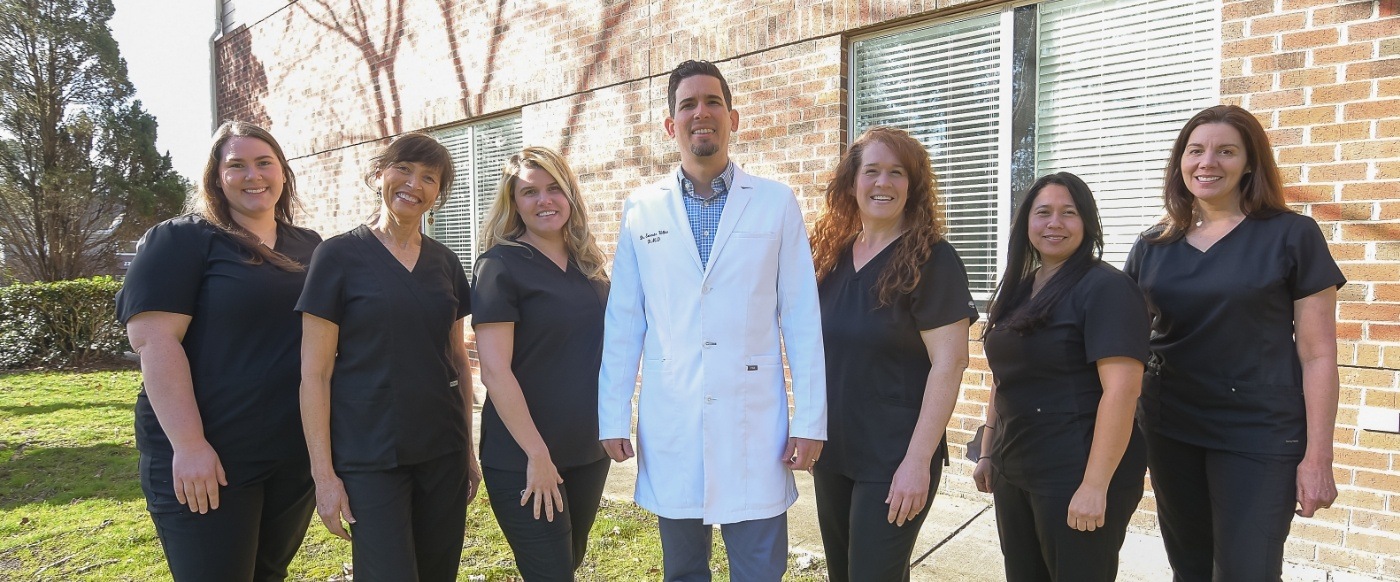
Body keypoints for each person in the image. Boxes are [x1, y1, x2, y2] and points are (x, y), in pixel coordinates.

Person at [597, 59, 827, 582]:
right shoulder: (641, 210)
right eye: (687, 104)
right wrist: (612, 413)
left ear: (734, 117)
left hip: (754, 424)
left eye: (713, 102)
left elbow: (801, 318)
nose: (701, 113)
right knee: (682, 571)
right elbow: (625, 320)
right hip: (672, 417)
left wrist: (811, 420)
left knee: (759, 570)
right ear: (669, 125)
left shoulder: (775, 203)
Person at [1124, 105, 1344, 581]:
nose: (1208, 163)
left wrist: (1318, 456)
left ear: (1249, 163)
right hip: (1171, 427)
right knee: (1191, 569)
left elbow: (1318, 353)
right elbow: (1126, 348)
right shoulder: (1153, 245)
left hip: (1260, 433)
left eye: (1226, 151)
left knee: (1249, 571)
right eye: (1196, 150)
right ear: (1180, 162)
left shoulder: (1291, 235)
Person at [117, 121, 321, 581]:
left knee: (268, 573)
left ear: (283, 173)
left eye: (265, 162)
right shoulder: (181, 240)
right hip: (212, 454)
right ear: (215, 177)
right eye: (237, 165)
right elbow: (154, 340)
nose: (254, 175)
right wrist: (189, 445)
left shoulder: (309, 247)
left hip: (292, 452)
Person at [297, 132, 479, 581]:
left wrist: (468, 453)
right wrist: (324, 477)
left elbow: (457, 359)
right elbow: (314, 375)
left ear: (438, 194)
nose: (414, 184)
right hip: (370, 453)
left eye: (429, 178)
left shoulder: (445, 263)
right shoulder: (337, 256)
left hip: (442, 449)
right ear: (380, 173)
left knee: (439, 573)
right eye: (404, 169)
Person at [807, 126, 975, 582]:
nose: (883, 183)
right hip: (836, 450)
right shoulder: (831, 257)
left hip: (895, 455)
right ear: (851, 182)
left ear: (912, 185)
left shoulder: (934, 261)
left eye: (897, 173)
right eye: (872, 171)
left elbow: (951, 362)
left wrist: (918, 462)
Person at [973, 172, 1150, 581]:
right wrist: (987, 449)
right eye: (1043, 213)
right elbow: (1005, 377)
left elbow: (1122, 392)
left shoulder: (1107, 289)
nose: (1055, 223)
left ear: (1086, 223)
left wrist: (1094, 485)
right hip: (1015, 466)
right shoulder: (1019, 288)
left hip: (1076, 472)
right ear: (1026, 224)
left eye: (1068, 213)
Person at [472, 146, 612, 580]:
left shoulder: (590, 268)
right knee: (550, 572)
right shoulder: (500, 266)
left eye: (554, 189)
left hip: (587, 450)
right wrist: (537, 454)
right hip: (524, 456)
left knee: (566, 563)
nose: (544, 200)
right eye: (529, 192)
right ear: (514, 204)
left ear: (570, 195)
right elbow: (495, 371)